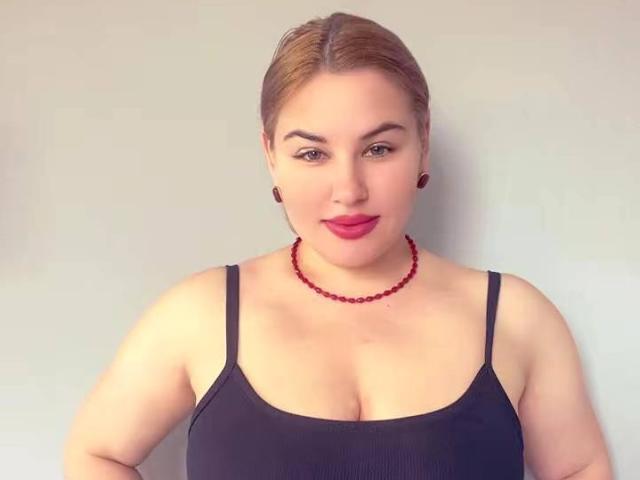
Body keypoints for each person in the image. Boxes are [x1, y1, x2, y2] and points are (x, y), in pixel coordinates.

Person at [63, 11, 613, 480]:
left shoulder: (516, 318)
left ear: (423, 144)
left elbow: (580, 469)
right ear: (270, 155)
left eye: (378, 149)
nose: (348, 190)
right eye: (312, 154)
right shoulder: (200, 314)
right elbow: (96, 453)